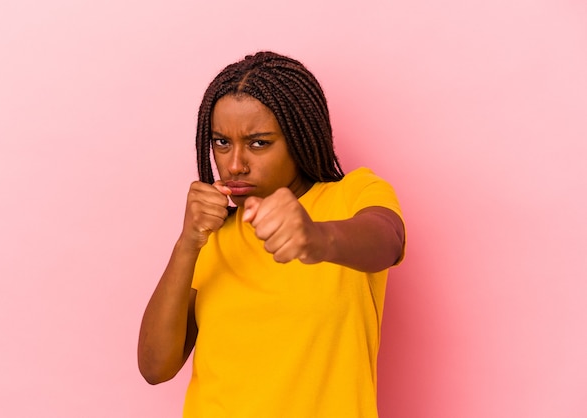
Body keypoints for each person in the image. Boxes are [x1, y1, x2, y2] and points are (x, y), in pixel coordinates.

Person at [138, 51, 406, 418]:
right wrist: (187, 242)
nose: (234, 164)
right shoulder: (212, 236)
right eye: (221, 142)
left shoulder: (353, 195)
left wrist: (315, 237)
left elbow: (388, 240)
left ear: (301, 136)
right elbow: (155, 367)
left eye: (259, 143)